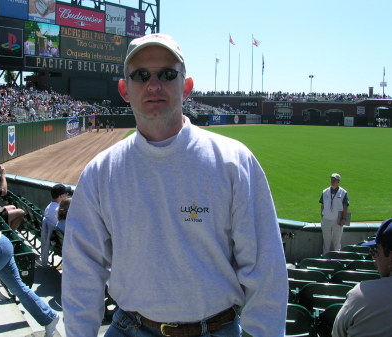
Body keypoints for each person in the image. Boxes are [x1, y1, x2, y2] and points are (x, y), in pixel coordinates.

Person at [62, 33, 288, 337]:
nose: (154, 85)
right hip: (129, 327)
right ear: (124, 89)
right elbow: (81, 272)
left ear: (187, 85)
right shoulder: (101, 172)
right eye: (141, 75)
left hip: (216, 329)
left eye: (167, 74)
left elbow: (266, 268)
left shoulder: (233, 161)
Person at [332, 218, 392, 337]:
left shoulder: (362, 294)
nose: (374, 258)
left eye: (375, 251)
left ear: (391, 257)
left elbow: (337, 334)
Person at [41, 184, 71, 265]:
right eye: (66, 193)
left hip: (55, 240)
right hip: (59, 244)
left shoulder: (49, 207)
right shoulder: (57, 210)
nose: (67, 195)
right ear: (61, 196)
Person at [319, 173, 349, 254]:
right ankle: (325, 260)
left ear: (338, 181)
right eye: (331, 179)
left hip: (337, 220)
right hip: (326, 220)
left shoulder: (343, 192)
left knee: (337, 243)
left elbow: (345, 207)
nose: (332, 181)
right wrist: (322, 217)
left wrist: (344, 219)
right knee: (326, 242)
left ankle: (336, 259)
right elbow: (322, 205)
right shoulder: (325, 191)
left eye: (334, 180)